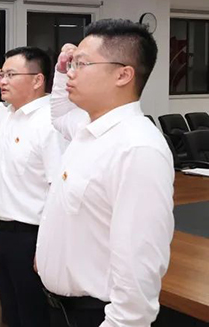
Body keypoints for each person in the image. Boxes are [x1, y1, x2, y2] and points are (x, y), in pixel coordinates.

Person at [38, 19, 174, 327]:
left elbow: (138, 269)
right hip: (60, 308)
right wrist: (60, 71)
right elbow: (59, 115)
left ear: (123, 75)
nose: (71, 72)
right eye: (71, 64)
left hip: (96, 315)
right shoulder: (88, 126)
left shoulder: (137, 148)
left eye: (81, 64)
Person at [0, 47, 66, 327]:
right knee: (10, 308)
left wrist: (45, 247)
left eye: (10, 75)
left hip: (28, 236)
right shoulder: (11, 114)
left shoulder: (49, 123)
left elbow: (59, 191)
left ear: (38, 80)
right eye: (2, 74)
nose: (2, 81)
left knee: (32, 314)